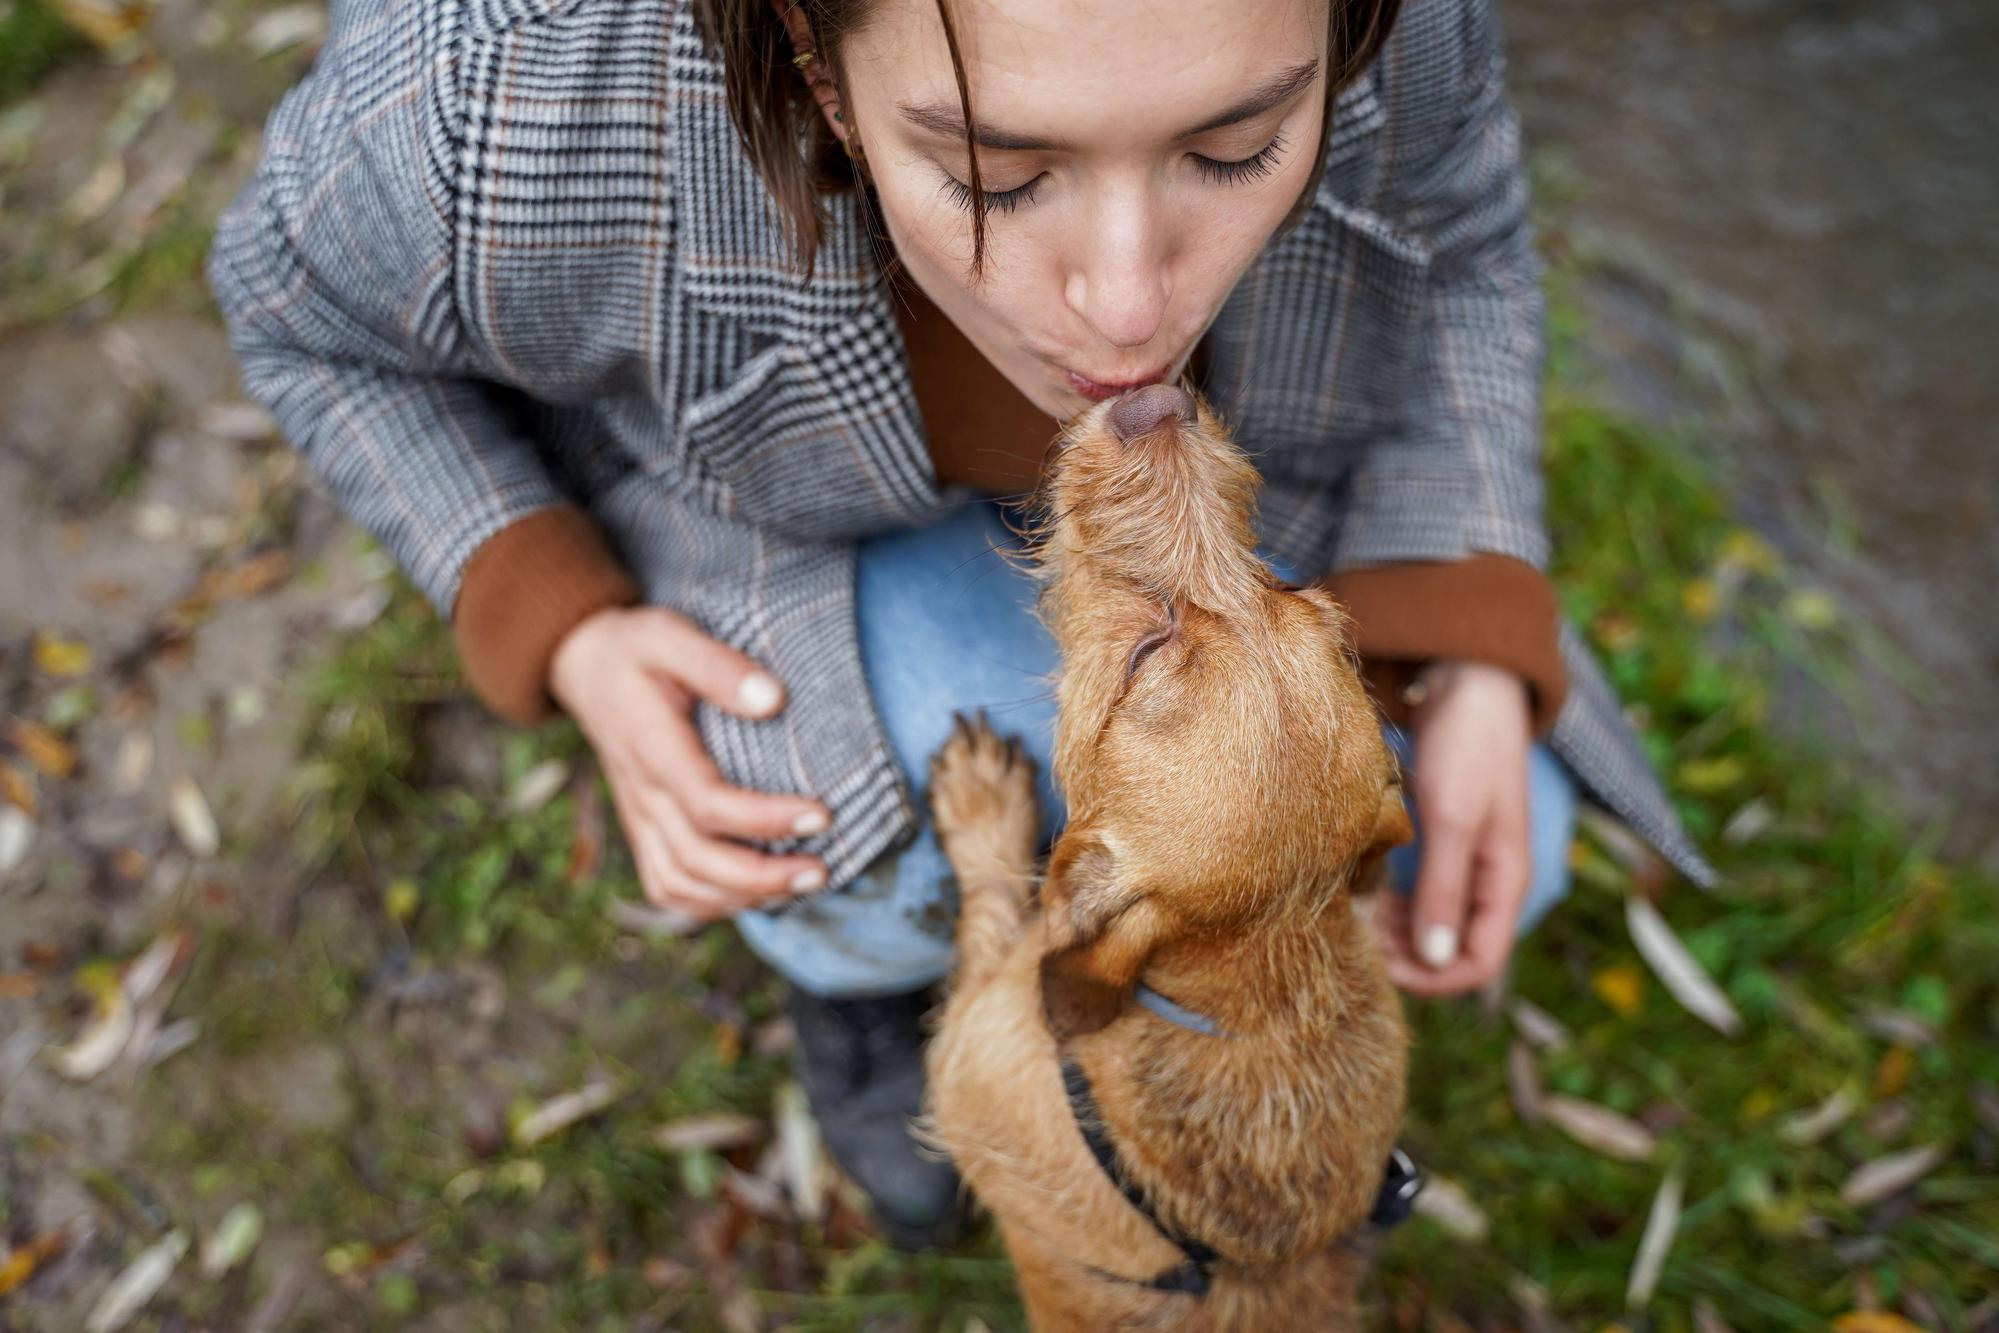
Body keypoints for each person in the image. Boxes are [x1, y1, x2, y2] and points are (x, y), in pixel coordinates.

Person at [209, 0, 1713, 1246]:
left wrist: (1464, 627)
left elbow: (1459, 227)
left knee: (1494, 837)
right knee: (840, 845)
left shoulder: (1412, 24)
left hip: (1245, 504)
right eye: (998, 174)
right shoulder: (509, 105)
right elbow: (292, 303)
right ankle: (866, 984)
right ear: (811, 59)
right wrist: (559, 613)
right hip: (781, 533)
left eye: (1238, 145)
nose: (1130, 310)